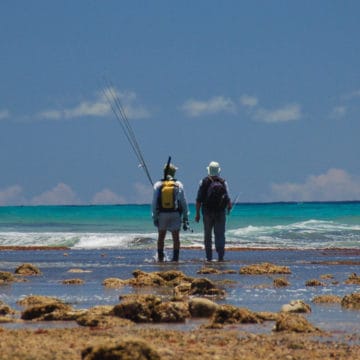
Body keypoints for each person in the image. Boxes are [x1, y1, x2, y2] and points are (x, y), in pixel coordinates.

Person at [152, 162, 189, 262]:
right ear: (173, 173)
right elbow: (183, 202)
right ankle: (175, 259)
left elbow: (154, 203)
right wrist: (185, 216)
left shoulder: (158, 184)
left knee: (161, 237)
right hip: (175, 213)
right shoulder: (178, 184)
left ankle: (160, 259)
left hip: (162, 214)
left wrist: (155, 217)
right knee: (176, 238)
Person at [195, 161, 232, 262]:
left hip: (207, 212)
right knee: (220, 234)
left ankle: (209, 257)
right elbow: (228, 199)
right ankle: (220, 256)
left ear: (209, 170)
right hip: (220, 212)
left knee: (207, 235)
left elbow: (198, 200)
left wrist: (197, 214)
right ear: (218, 171)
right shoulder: (223, 182)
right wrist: (229, 208)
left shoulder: (203, 182)